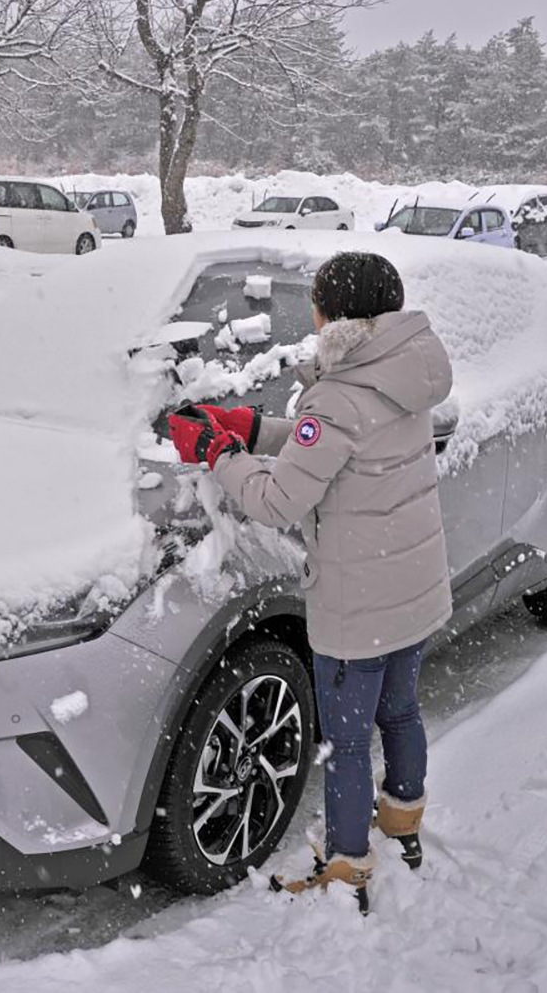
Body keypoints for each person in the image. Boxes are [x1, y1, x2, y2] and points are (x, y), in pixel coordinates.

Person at [168, 251, 454, 914]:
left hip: (357, 608)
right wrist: (254, 429)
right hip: (411, 589)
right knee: (402, 711)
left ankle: (349, 863)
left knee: (348, 741)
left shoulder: (336, 395)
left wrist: (221, 454)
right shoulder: (402, 374)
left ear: (331, 317)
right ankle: (403, 817)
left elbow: (277, 501)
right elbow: (330, 449)